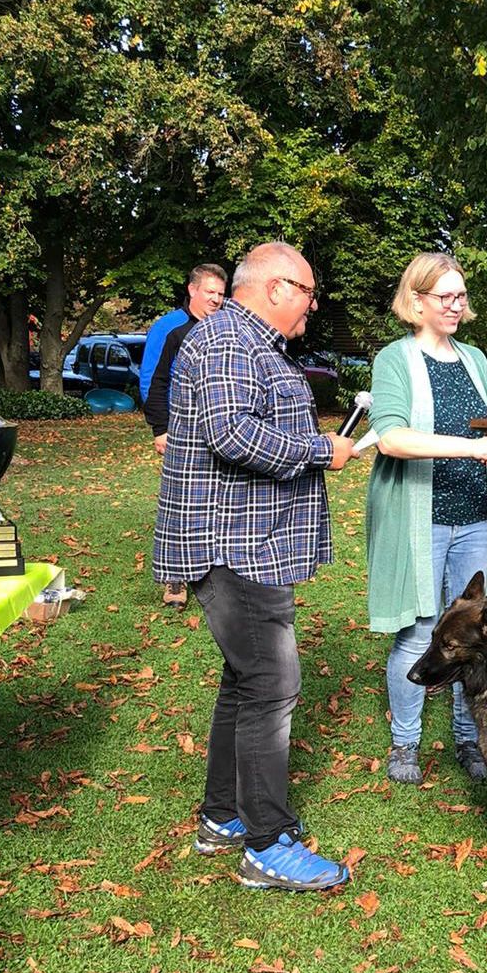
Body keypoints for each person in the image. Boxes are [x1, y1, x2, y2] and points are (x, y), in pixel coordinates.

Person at [152, 242, 358, 892]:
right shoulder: (227, 341)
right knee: (270, 684)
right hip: (234, 546)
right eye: (308, 292)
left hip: (254, 542)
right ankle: (266, 844)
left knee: (244, 682)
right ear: (276, 287)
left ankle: (223, 818)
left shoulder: (250, 343)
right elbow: (232, 435)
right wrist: (319, 450)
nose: (312, 306)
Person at [366, 252, 487, 785]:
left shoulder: (475, 359)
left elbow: (481, 426)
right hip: (420, 519)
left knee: (474, 634)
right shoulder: (395, 360)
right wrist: (470, 448)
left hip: (476, 515)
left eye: (461, 295)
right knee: (419, 631)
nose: (456, 305)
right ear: (417, 299)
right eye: (445, 296)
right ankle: (405, 743)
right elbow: (391, 438)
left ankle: (469, 739)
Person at [142, 263, 228, 608]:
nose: (216, 299)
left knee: (215, 501)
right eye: (210, 292)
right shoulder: (172, 331)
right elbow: (154, 380)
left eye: (221, 294)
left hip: (218, 429)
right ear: (193, 290)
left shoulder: (225, 329)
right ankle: (175, 578)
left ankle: (215, 569)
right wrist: (160, 428)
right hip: (180, 432)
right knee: (179, 506)